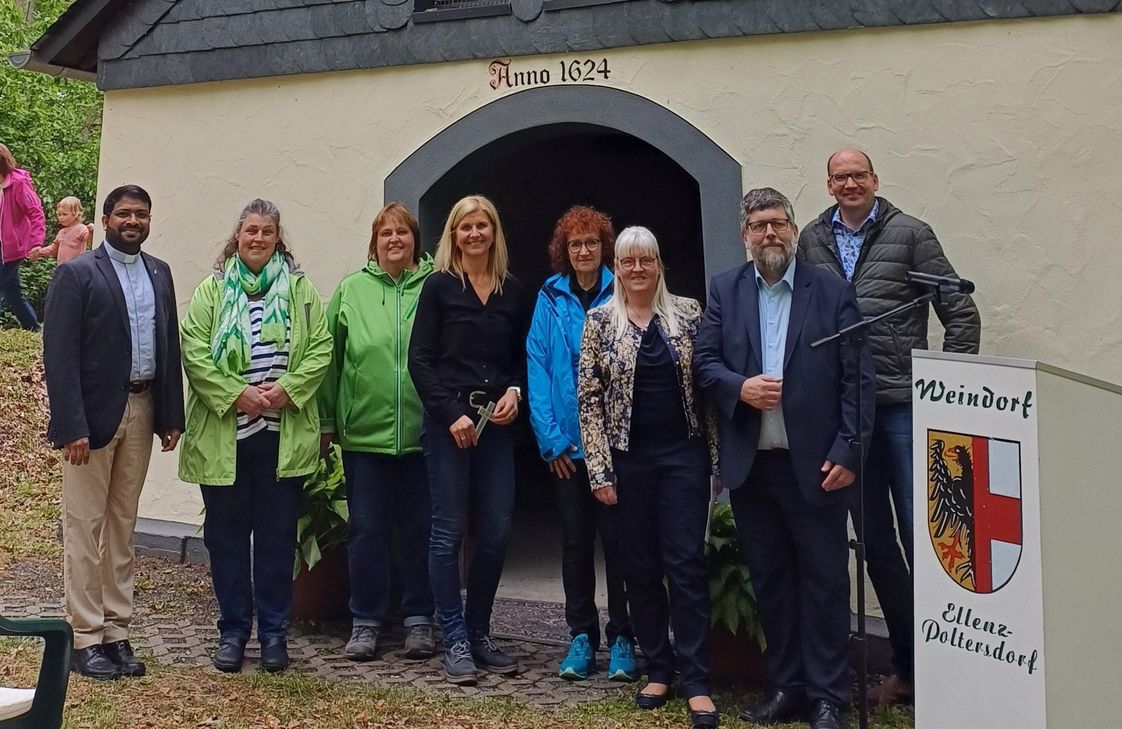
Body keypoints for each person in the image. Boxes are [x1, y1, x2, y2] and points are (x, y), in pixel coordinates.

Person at [798, 149, 981, 705]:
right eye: (840, 177)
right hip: (849, 419)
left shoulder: (911, 234)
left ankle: (954, 669)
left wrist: (946, 392)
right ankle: (907, 668)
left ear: (875, 180)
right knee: (876, 546)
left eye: (859, 175)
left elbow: (961, 312)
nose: (850, 183)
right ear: (828, 185)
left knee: (932, 540)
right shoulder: (810, 238)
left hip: (903, 409)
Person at [694, 188, 874, 729]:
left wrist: (849, 450)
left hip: (818, 466)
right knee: (771, 581)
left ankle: (827, 697)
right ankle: (787, 686)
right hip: (754, 467)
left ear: (793, 229)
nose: (768, 234)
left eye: (777, 223)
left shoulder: (832, 290)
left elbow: (857, 381)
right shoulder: (726, 290)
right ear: (745, 234)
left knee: (823, 583)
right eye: (758, 225)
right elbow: (703, 363)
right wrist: (739, 387)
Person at [179, 199, 332, 674]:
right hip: (226, 434)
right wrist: (236, 393)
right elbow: (194, 351)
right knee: (225, 540)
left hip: (280, 435)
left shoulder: (302, 291)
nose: (258, 239)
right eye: (250, 230)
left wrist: (288, 390)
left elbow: (321, 347)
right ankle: (232, 632)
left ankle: (272, 635)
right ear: (237, 236)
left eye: (267, 231)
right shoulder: (212, 289)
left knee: (275, 539)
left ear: (278, 238)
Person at [578, 226, 719, 729]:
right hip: (628, 461)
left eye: (647, 260)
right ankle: (658, 667)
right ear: (618, 267)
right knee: (638, 566)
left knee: (684, 564)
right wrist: (599, 470)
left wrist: (717, 461)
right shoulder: (599, 321)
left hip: (684, 458)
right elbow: (589, 399)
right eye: (628, 261)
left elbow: (707, 390)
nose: (637, 269)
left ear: (659, 264)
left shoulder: (689, 314)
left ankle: (698, 678)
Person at [42, 184, 185, 680]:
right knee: (85, 526)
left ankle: (116, 631)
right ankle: (84, 636)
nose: (133, 221)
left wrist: (171, 415)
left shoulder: (160, 273)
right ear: (105, 220)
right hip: (91, 417)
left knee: (123, 525)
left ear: (149, 221)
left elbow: (169, 345)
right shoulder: (78, 273)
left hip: (144, 408)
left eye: (141, 214)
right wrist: (70, 426)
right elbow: (58, 357)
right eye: (124, 213)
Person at [408, 195, 527, 686]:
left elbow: (525, 354)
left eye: (482, 226)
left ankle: (479, 631)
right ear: (453, 235)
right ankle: (453, 637)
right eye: (465, 227)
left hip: (496, 427)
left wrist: (516, 392)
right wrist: (451, 412)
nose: (474, 234)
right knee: (448, 532)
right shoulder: (438, 288)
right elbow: (420, 359)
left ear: (494, 233)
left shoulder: (512, 290)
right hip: (448, 424)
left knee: (496, 532)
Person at [318, 202, 436, 662]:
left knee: (420, 530)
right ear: (374, 243)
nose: (394, 240)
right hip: (364, 436)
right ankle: (365, 621)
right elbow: (330, 362)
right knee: (366, 530)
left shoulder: (436, 287)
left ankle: (419, 620)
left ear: (414, 241)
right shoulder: (351, 290)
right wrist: (328, 423)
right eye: (385, 234)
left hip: (424, 436)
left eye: (402, 233)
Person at [526, 206, 636, 682]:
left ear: (603, 246)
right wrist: (550, 440)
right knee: (575, 543)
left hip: (615, 445)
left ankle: (624, 639)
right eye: (575, 245)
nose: (584, 251)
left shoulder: (623, 289)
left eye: (591, 242)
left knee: (619, 545)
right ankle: (582, 637)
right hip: (567, 448)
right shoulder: (549, 297)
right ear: (564, 252)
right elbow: (537, 364)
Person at [0, 143, 46, 330]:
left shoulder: (18, 183)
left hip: (12, 248)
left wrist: (36, 243)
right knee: (13, 294)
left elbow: (36, 213)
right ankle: (34, 330)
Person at [29, 196, 92, 265]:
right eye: (59, 214)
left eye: (64, 214)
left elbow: (89, 239)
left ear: (76, 214)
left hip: (76, 269)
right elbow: (53, 249)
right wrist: (38, 252)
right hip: (62, 268)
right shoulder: (62, 232)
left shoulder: (81, 228)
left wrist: (91, 231)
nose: (60, 217)